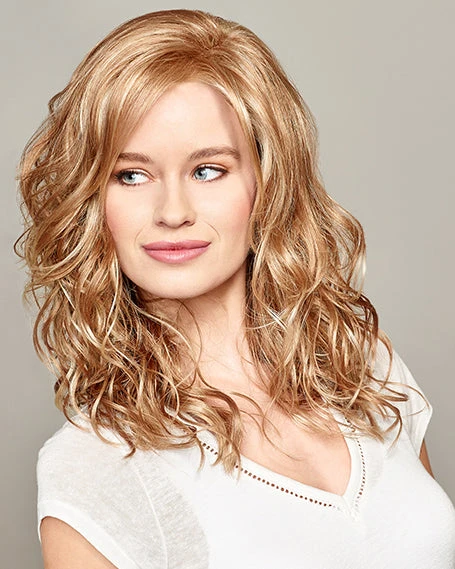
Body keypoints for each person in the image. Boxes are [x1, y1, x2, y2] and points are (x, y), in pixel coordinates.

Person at [17, 9, 455, 569]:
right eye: (131, 175)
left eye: (207, 170)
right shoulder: (93, 468)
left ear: (267, 181)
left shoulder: (364, 364)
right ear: (94, 201)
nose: (172, 212)